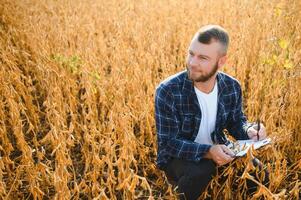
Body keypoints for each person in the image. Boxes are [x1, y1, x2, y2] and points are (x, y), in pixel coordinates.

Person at [154, 25, 269, 200]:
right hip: (178, 156)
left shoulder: (231, 86)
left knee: (260, 173)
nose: (192, 62)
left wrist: (249, 130)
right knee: (200, 172)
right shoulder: (168, 90)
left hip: (221, 150)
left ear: (221, 61)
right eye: (191, 53)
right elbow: (168, 143)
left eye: (203, 58)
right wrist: (208, 152)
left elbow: (236, 122)